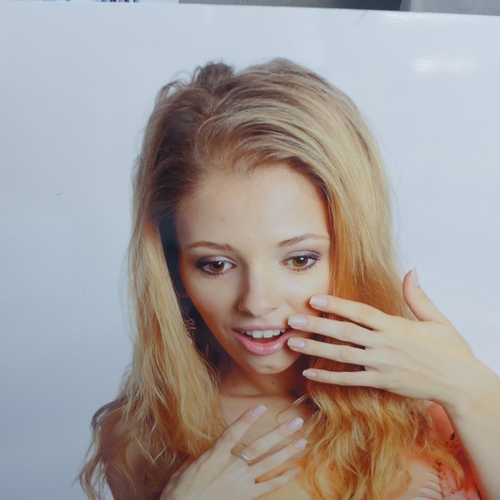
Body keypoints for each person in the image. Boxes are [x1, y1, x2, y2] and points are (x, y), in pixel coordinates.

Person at [79, 59, 500, 500]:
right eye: (216, 265)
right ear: (174, 269)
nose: (257, 303)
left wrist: (473, 389)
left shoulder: (428, 395)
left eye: (299, 259)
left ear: (350, 251)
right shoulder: (143, 438)